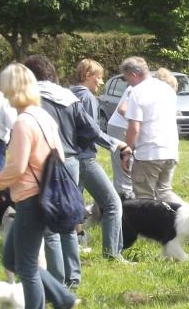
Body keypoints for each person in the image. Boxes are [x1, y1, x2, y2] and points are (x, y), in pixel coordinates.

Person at [0, 63, 79, 309]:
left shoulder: (23, 122)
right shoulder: (43, 116)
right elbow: (59, 156)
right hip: (42, 197)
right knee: (12, 259)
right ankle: (63, 298)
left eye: (3, 86)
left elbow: (18, 168)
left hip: (31, 199)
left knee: (27, 267)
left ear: (11, 89)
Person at [24, 54, 91, 289]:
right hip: (70, 161)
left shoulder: (31, 100)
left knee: (51, 227)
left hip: (44, 162)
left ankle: (56, 281)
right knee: (69, 221)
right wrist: (75, 147)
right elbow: (90, 129)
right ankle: (74, 278)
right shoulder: (69, 96)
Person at [70, 58, 130, 261]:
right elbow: (90, 130)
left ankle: (74, 246)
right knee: (113, 204)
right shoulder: (87, 98)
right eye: (99, 77)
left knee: (74, 203)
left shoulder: (69, 94)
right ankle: (113, 255)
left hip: (70, 158)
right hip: (85, 158)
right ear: (87, 75)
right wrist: (116, 143)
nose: (101, 82)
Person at [120, 58, 179, 203]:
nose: (128, 83)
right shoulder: (167, 89)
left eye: (127, 78)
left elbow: (134, 128)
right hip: (170, 150)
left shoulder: (137, 92)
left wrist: (126, 152)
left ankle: (148, 226)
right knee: (164, 193)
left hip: (149, 153)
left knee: (144, 198)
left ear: (133, 74)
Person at [106, 57, 145, 201]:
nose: (127, 82)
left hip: (120, 126)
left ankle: (123, 197)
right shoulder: (134, 88)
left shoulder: (140, 87)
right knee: (125, 167)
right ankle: (123, 199)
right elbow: (123, 109)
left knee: (125, 167)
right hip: (120, 127)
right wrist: (138, 120)